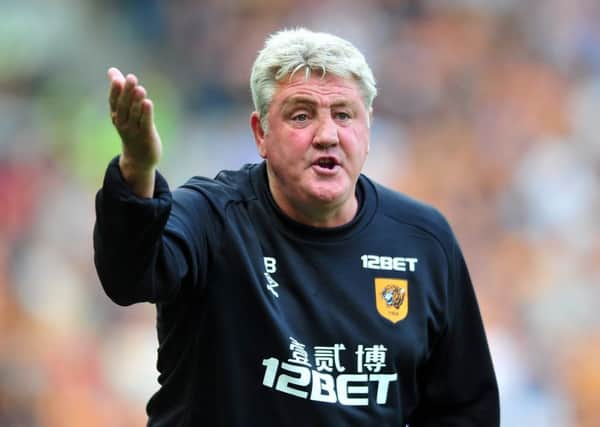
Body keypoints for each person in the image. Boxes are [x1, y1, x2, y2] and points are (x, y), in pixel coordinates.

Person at [94, 28, 499, 426]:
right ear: (261, 133)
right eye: (301, 116)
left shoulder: (423, 240)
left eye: (344, 114)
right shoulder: (212, 217)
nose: (327, 135)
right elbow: (129, 277)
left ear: (368, 127)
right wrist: (137, 167)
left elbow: (465, 410)